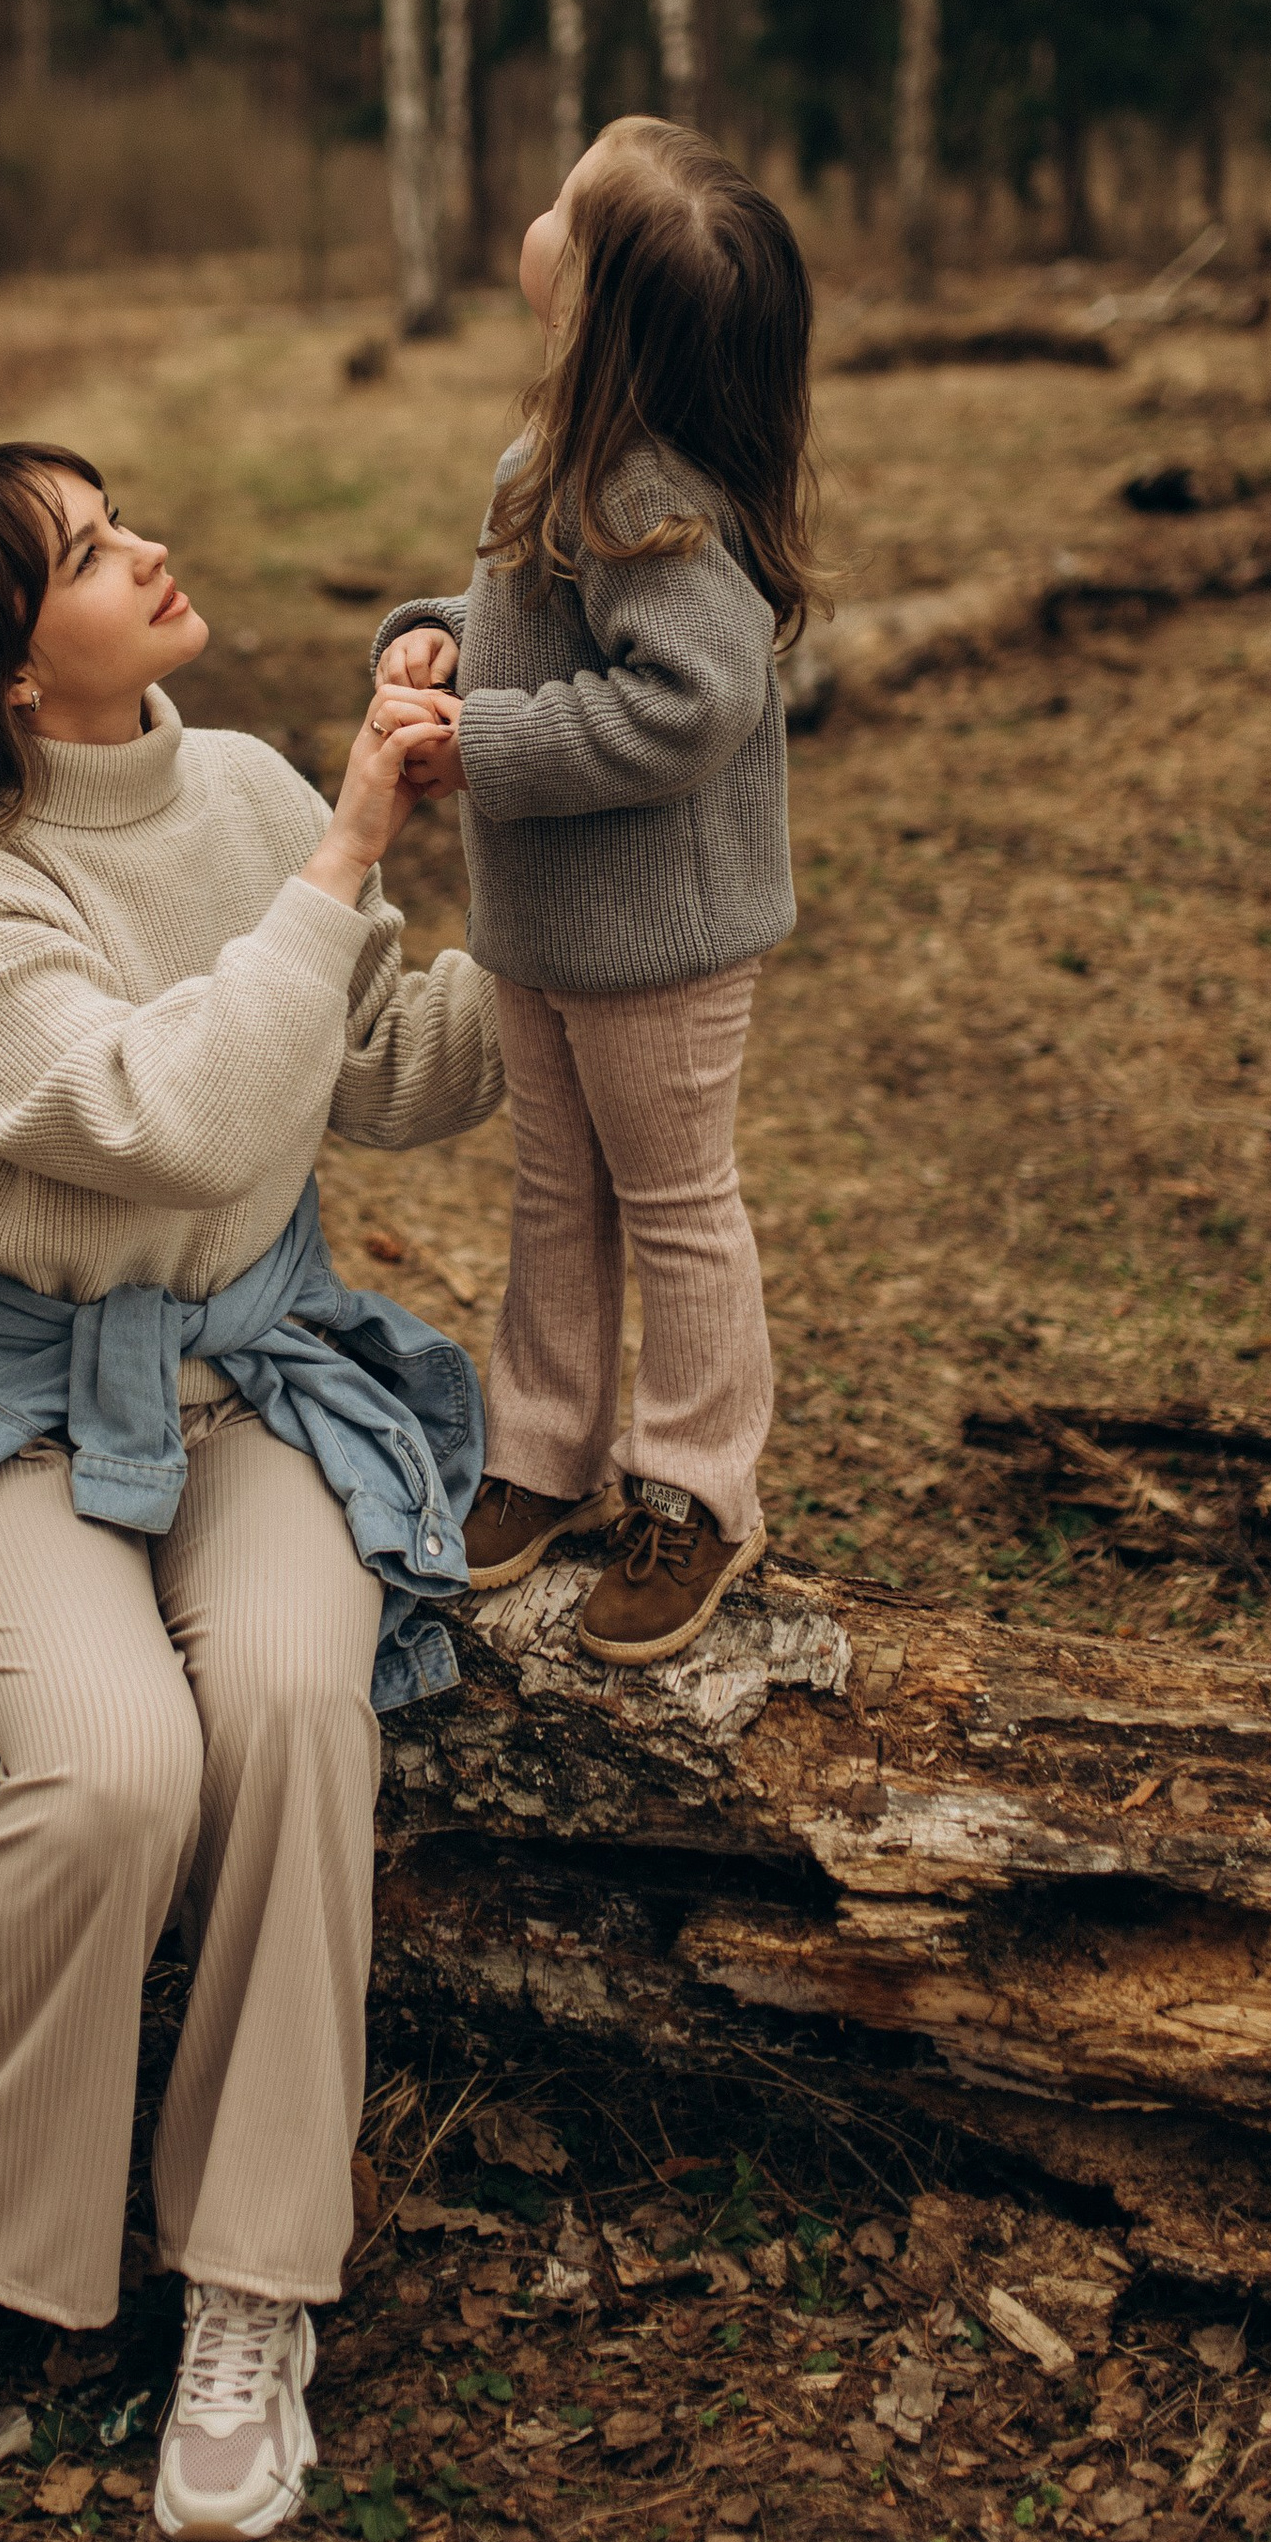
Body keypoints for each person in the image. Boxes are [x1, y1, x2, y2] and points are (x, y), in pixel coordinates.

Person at [0, 443, 498, 2542]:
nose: (148, 549)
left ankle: (251, 2290)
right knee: (110, 1765)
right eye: (87, 553)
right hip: (18, 1417)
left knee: (288, 1710)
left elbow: (376, 1064)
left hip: (254, 1379)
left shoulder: (250, 791)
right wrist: (352, 841)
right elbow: (173, 1114)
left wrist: (585, 914)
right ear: (6, 668)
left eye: (115, 517)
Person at [367, 116, 817, 1665]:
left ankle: (699, 1489)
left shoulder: (649, 497)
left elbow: (693, 702)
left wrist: (481, 746)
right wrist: (430, 639)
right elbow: (529, 632)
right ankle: (542, 1453)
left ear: (593, 305)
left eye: (563, 204)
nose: (535, 209)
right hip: (547, 931)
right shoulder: (557, 458)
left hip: (661, 945)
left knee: (676, 1204)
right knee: (556, 1193)